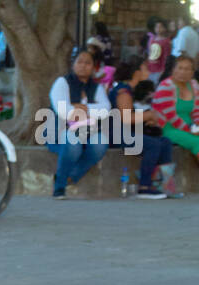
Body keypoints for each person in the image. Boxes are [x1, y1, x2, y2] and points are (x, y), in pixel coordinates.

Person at [153, 53, 199, 189]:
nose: (183, 72)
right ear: (173, 70)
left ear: (193, 72)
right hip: (169, 128)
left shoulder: (193, 85)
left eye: (188, 69)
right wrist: (192, 131)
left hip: (191, 126)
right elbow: (172, 117)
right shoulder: (165, 86)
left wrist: (198, 126)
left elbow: (197, 110)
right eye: (180, 68)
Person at [48, 47, 110, 198]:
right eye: (80, 62)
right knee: (73, 143)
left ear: (93, 67)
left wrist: (83, 107)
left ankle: (71, 176)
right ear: (73, 64)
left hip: (88, 131)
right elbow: (63, 111)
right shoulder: (62, 83)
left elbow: (106, 109)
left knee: (100, 143)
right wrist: (90, 110)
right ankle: (59, 186)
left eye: (88, 63)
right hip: (60, 131)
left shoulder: (96, 87)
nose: (83, 65)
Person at [109, 57, 172, 196]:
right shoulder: (123, 92)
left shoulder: (130, 90)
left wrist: (146, 119)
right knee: (153, 145)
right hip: (117, 135)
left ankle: (164, 185)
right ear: (136, 72)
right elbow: (125, 118)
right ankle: (144, 186)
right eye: (145, 68)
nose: (149, 71)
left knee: (165, 142)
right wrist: (148, 115)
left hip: (128, 132)